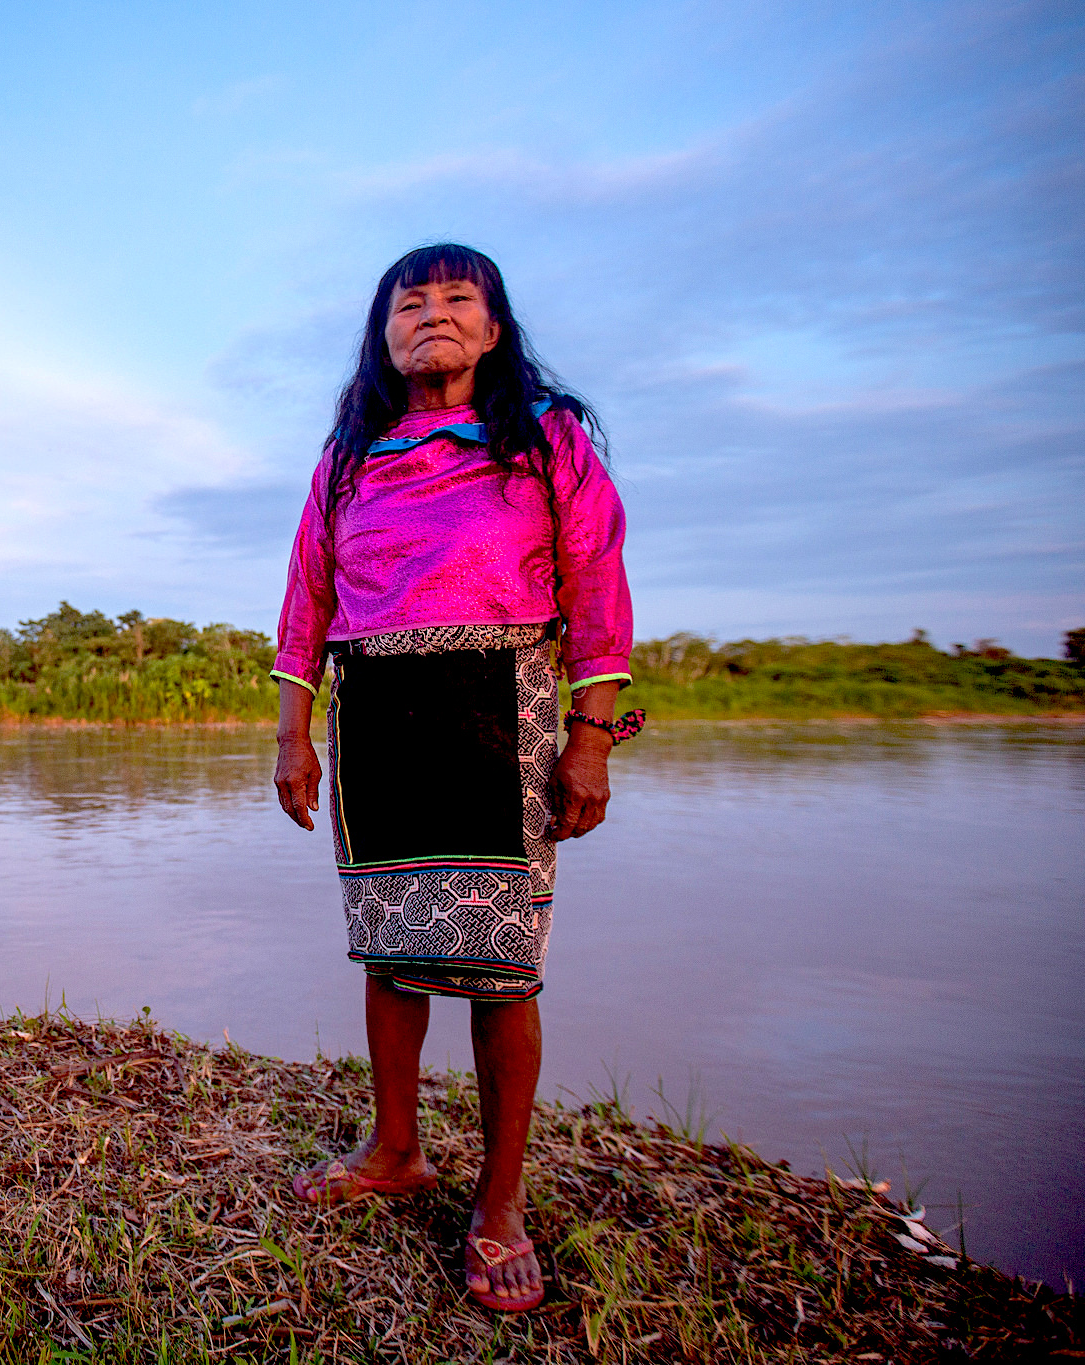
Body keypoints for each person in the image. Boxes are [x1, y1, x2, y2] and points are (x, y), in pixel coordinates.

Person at [270, 243, 637, 1315]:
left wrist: (590, 738)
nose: (432, 313)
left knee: (500, 963)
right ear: (381, 333)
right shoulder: (349, 457)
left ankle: (500, 1199)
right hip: (375, 710)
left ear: (493, 328)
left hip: (500, 705)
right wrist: (293, 734)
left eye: (457, 298)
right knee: (389, 947)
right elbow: (307, 595)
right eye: (410, 302)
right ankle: (395, 1149)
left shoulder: (544, 439)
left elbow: (596, 581)